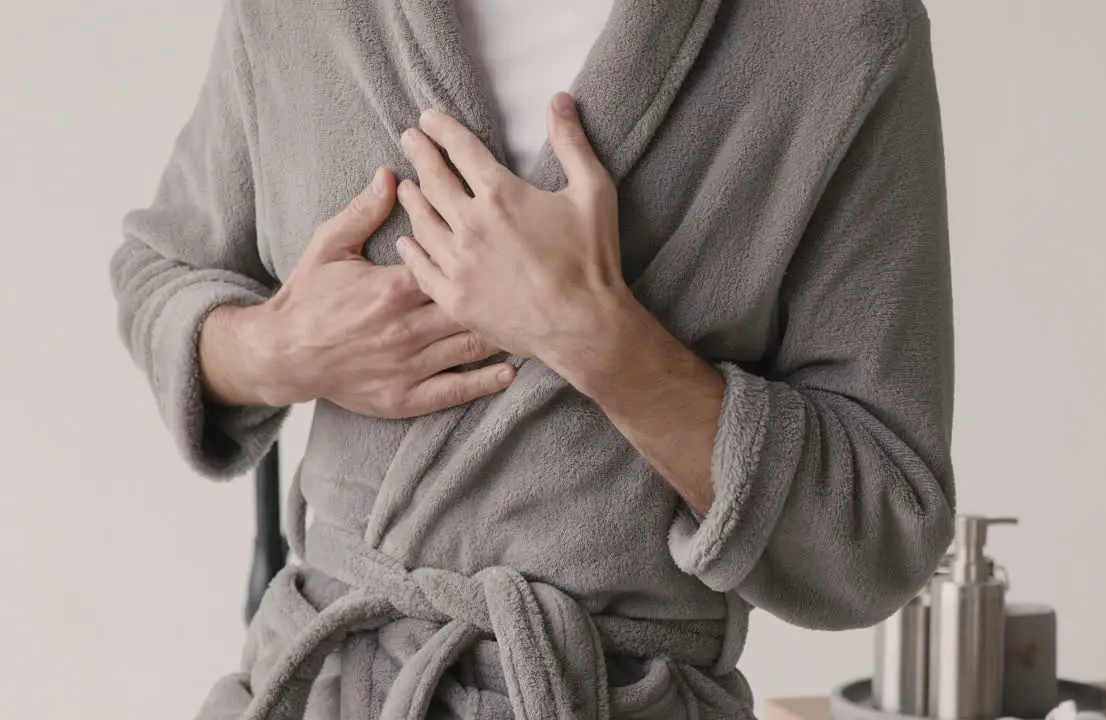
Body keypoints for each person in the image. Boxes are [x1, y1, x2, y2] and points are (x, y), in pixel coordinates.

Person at [109, 0, 957, 717]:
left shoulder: (839, 27)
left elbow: (880, 527)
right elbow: (160, 273)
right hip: (329, 685)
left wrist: (598, 335)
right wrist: (277, 349)